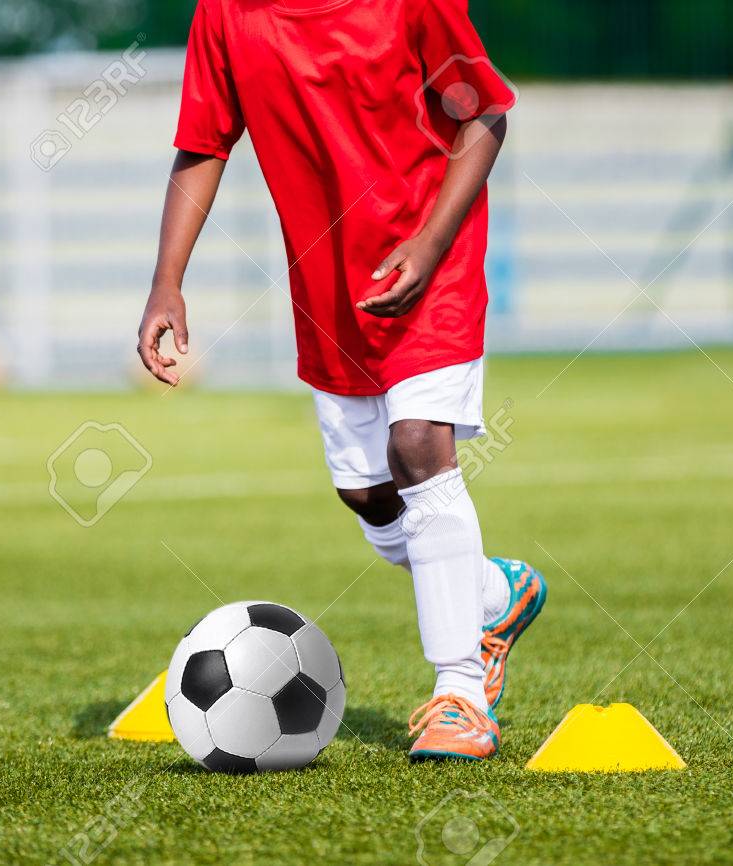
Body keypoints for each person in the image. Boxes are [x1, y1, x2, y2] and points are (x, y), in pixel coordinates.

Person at [137, 0, 546, 762]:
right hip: (330, 290)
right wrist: (167, 280)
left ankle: (460, 693)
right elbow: (202, 144)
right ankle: (494, 596)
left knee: (419, 445)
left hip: (434, 265)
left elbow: (484, 115)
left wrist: (428, 243)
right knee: (367, 492)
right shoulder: (225, 14)